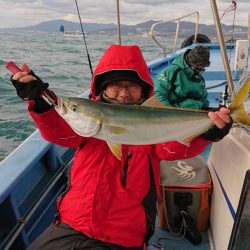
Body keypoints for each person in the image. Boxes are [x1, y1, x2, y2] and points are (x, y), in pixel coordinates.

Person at [11, 44, 232, 250]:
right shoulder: (86, 125)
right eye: (116, 85)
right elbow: (60, 131)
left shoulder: (153, 120)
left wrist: (206, 134)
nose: (124, 93)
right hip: (71, 223)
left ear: (144, 90)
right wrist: (40, 103)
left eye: (132, 86)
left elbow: (174, 147)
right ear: (103, 89)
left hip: (123, 235)